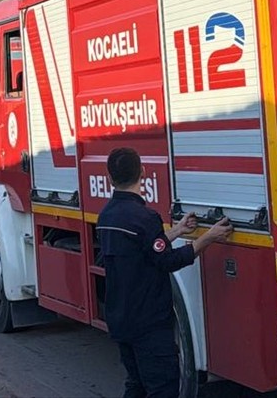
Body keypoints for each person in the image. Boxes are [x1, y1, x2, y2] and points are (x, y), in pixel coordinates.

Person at [97, 147, 232, 398]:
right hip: (148, 324)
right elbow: (167, 261)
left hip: (121, 319)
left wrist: (178, 230)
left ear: (110, 179)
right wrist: (208, 238)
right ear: (143, 172)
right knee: (163, 389)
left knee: (135, 385)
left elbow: (144, 249)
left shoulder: (106, 217)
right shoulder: (145, 217)